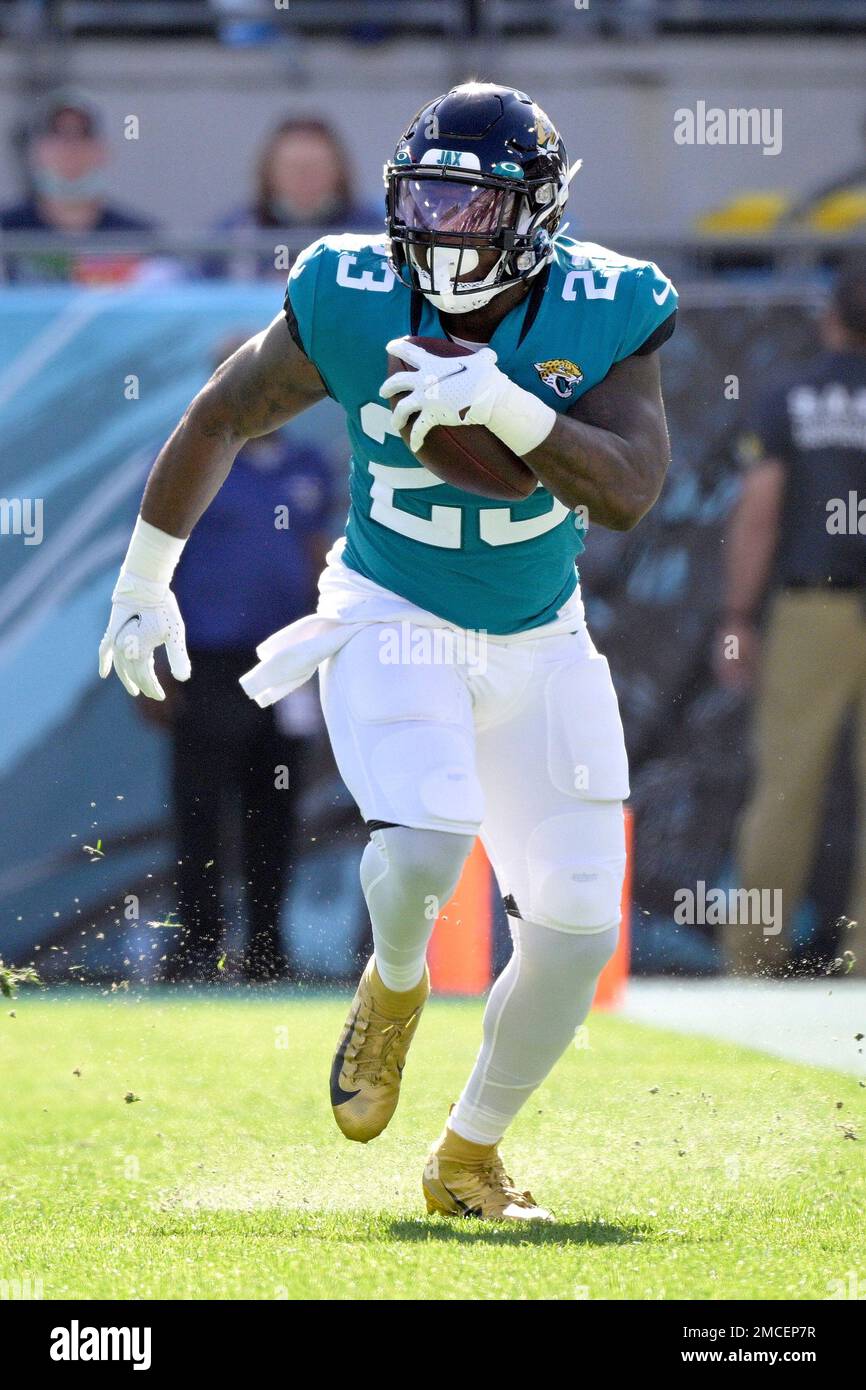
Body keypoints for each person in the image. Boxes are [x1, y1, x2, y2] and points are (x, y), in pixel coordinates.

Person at [99, 83, 676, 1221]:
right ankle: (394, 981)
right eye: (426, 195)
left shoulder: (608, 300)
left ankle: (467, 1151)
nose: (443, 225)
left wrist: (512, 412)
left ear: (536, 215)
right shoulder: (352, 288)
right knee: (426, 840)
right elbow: (222, 413)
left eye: (473, 202)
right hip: (387, 608)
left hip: (539, 634)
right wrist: (141, 580)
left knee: (573, 924)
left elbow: (627, 493)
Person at [146, 341, 335, 983]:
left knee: (274, 808)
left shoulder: (309, 465)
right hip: (208, 659)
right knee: (200, 808)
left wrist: (325, 652)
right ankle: (196, 947)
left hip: (284, 663)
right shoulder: (189, 461)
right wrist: (151, 664)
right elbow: (153, 568)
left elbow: (320, 562)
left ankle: (265, 950)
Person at [716, 260, 866, 978]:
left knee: (784, 789)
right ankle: (862, 960)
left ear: (830, 318)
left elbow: (759, 517)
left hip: (814, 606)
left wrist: (739, 615)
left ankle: (752, 960)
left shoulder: (791, 396)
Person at [0, 90, 155, 282]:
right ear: (35, 152)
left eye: (82, 135)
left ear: (103, 151)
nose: (70, 149)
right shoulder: (6, 229)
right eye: (57, 135)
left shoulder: (139, 237)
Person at [209, 117, 380, 278]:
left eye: (315, 167)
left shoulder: (370, 231)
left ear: (338, 172)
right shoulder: (238, 232)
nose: (303, 178)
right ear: (270, 173)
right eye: (292, 168)